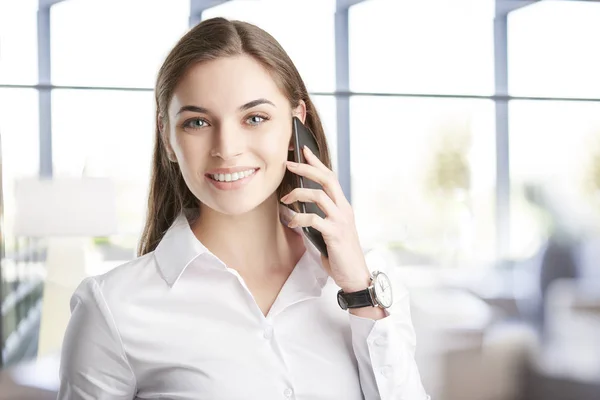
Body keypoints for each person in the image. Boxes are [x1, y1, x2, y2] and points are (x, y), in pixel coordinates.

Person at [57, 17, 429, 400]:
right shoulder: (112, 308)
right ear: (167, 138)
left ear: (295, 125)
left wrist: (358, 293)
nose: (227, 147)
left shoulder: (371, 284)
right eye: (197, 122)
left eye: (255, 118)